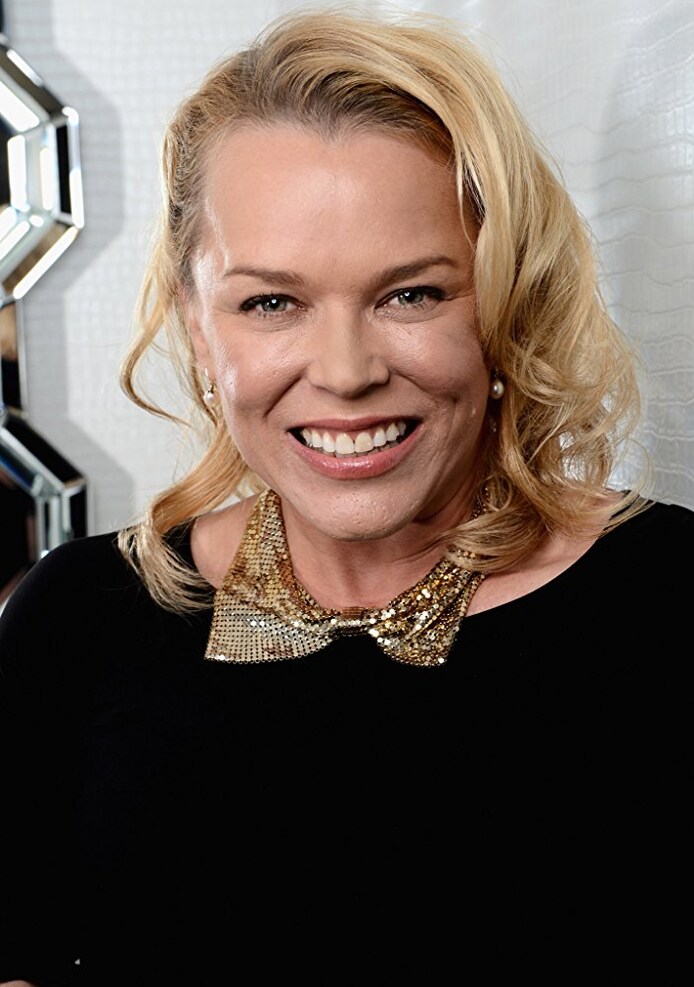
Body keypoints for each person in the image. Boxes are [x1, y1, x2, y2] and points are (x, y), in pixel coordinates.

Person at [1, 6, 692, 984]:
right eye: (271, 302)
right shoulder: (77, 618)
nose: (345, 371)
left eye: (412, 293)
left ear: (506, 297)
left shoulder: (674, 602)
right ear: (198, 323)